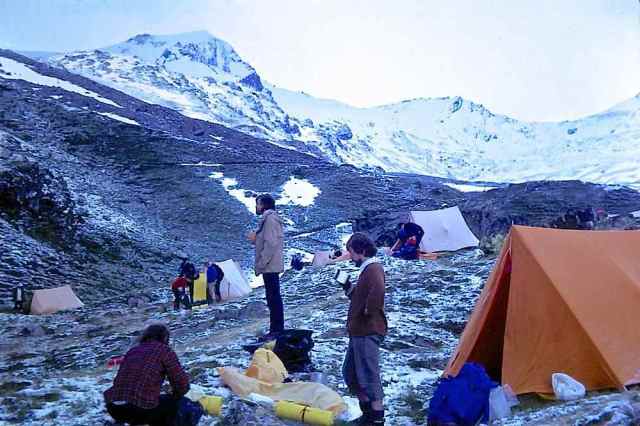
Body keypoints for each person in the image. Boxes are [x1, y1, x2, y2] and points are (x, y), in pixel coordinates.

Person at [341, 233, 387, 425]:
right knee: (351, 373)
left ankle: (376, 419)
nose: (350, 257)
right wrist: (348, 287)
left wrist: (369, 311)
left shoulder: (373, 268)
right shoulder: (367, 269)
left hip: (367, 330)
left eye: (352, 252)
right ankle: (367, 414)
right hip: (359, 331)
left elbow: (378, 291)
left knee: (368, 375)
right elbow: (360, 297)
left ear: (361, 251)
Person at [104, 323, 190, 426]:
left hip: (113, 406)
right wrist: (176, 394)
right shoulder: (165, 350)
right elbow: (182, 384)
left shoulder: (133, 351)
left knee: (148, 405)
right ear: (165, 337)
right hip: (139, 408)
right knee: (173, 404)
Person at [247, 194, 284, 338]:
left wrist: (262, 263)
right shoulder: (269, 219)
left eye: (258, 204)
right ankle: (275, 329)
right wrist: (256, 239)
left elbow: (271, 244)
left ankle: (277, 330)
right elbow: (268, 240)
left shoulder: (270, 219)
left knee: (273, 298)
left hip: (270, 265)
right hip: (270, 265)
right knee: (272, 297)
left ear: (263, 205)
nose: (256, 207)